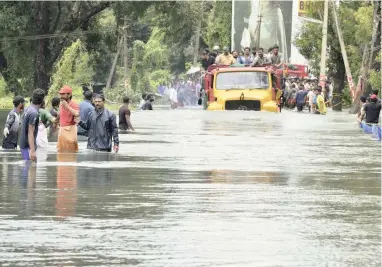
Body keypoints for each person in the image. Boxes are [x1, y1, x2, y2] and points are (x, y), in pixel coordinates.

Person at [19, 89, 45, 161]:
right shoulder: (34, 113)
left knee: (28, 167)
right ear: (42, 101)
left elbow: (21, 125)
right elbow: (30, 133)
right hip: (28, 146)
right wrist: (32, 150)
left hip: (24, 144)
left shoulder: (28, 108)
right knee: (30, 168)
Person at [57, 85, 80, 152]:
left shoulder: (74, 104)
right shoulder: (61, 104)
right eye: (60, 94)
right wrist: (56, 121)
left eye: (63, 94)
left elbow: (77, 114)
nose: (61, 96)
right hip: (61, 131)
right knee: (61, 153)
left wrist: (67, 106)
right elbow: (59, 115)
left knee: (70, 153)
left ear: (69, 95)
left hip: (70, 131)